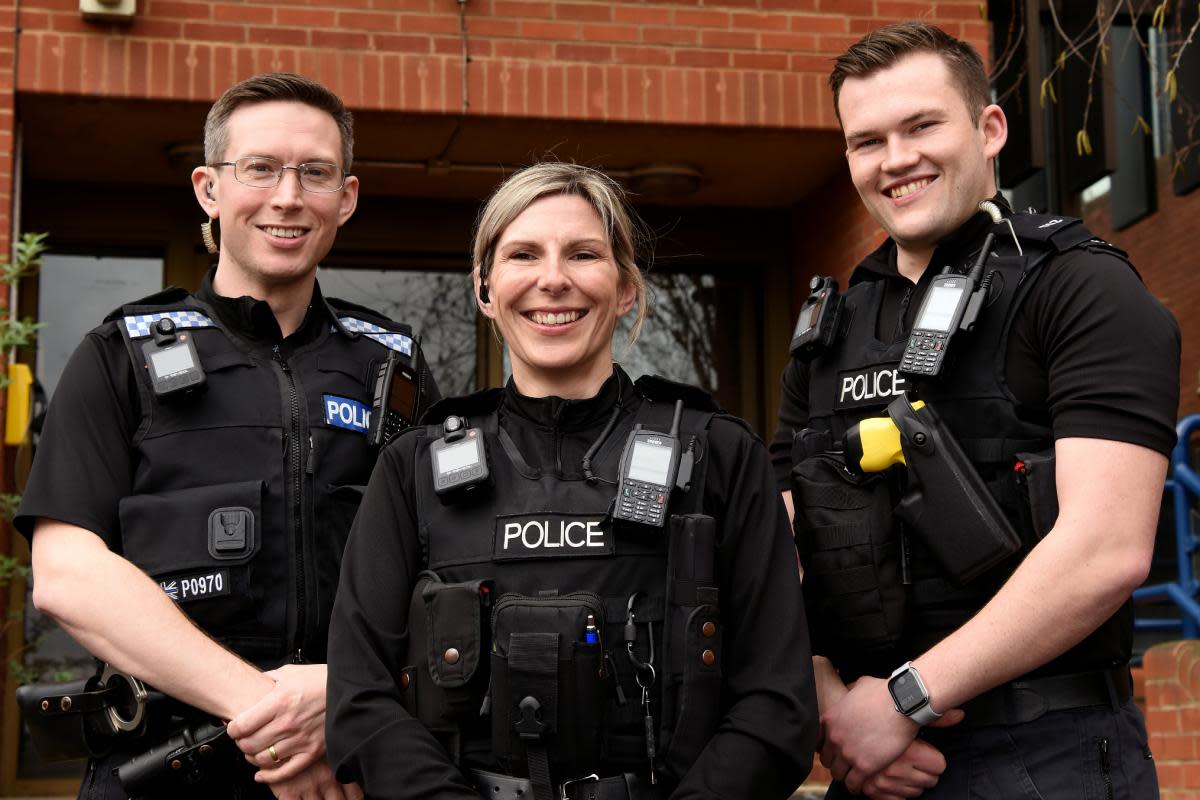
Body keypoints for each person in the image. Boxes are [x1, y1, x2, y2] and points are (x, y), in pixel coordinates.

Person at [770, 22, 1180, 800]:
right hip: (875, 763)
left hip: (1049, 756)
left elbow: (1106, 549)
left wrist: (904, 699)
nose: (896, 159)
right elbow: (780, 548)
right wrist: (833, 706)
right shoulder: (828, 334)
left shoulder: (1081, 291)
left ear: (989, 129)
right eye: (867, 140)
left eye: (923, 125)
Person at [325, 162, 817, 799]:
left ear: (627, 289)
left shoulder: (720, 454)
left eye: (583, 254)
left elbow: (777, 705)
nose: (552, 281)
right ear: (484, 288)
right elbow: (361, 704)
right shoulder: (412, 468)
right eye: (522, 255)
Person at [17, 73, 439, 799]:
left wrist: (338, 697)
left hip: (349, 769)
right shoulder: (120, 354)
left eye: (315, 172)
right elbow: (67, 575)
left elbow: (448, 570)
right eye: (261, 169)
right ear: (209, 189)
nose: (288, 196)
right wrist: (266, 710)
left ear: (347, 196)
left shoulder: (392, 369)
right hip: (166, 770)